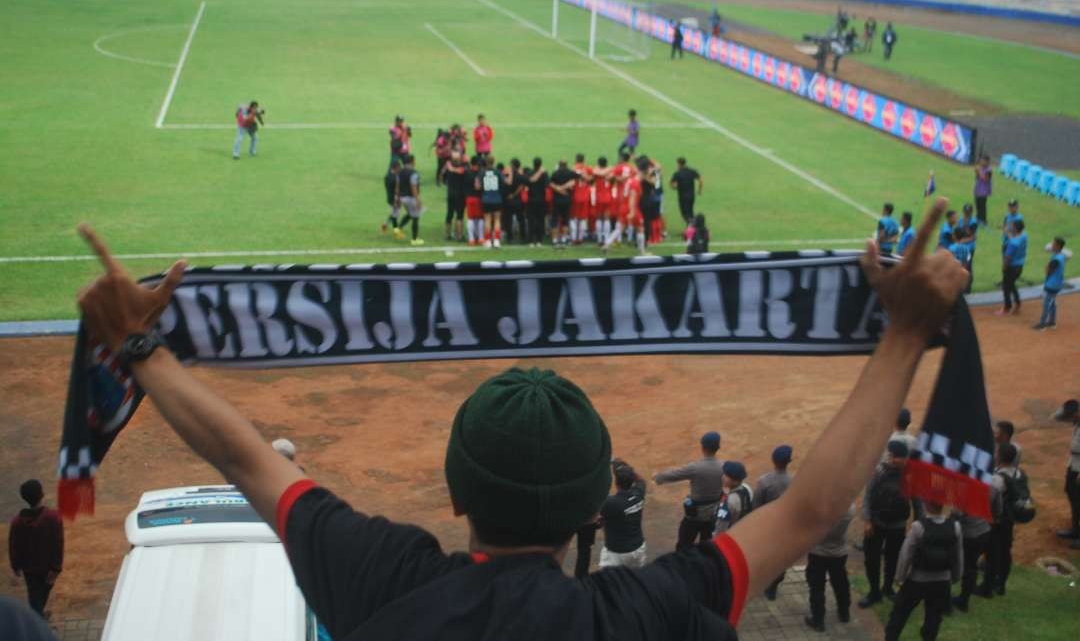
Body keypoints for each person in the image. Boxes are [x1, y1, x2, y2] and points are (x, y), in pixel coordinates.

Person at [69, 199, 967, 641]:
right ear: (590, 509)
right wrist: (906, 336)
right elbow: (810, 511)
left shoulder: (382, 579)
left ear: (454, 491)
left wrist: (142, 352)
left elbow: (247, 461)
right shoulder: (644, 611)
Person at [883, 501, 962, 641]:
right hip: (942, 581)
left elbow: (906, 554)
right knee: (934, 617)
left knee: (900, 612)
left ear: (927, 505)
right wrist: (955, 576)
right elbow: (958, 554)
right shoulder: (955, 526)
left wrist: (900, 577)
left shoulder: (918, 527)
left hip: (917, 580)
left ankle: (891, 637)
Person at [859, 440, 911, 608]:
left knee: (893, 559)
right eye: (894, 457)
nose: (896, 460)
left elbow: (917, 501)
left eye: (900, 458)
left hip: (897, 525)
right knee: (871, 559)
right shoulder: (879, 471)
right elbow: (867, 497)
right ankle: (874, 592)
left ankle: (887, 588)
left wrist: (919, 524)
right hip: (876, 523)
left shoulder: (910, 475)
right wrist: (867, 521)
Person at [653, 431, 726, 550]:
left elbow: (673, 474)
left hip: (695, 515)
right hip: (713, 513)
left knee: (684, 545)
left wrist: (657, 477)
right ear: (718, 447)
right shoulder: (723, 466)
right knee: (707, 545)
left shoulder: (695, 468)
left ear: (703, 447)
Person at [8, 480, 64, 617]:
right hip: (48, 568)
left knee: (35, 595)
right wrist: (56, 567)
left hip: (29, 569)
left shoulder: (17, 522)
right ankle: (38, 621)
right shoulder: (52, 518)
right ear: (42, 494)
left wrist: (16, 566)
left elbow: (14, 545)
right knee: (41, 595)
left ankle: (38, 613)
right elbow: (58, 544)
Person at [804, 502, 854, 633]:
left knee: (816, 587)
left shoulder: (820, 509)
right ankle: (844, 613)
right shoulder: (849, 508)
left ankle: (818, 620)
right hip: (839, 552)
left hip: (817, 553)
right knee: (841, 584)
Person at [980, 443, 1020, 596]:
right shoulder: (1018, 473)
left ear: (1000, 457)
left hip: (997, 520)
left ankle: (987, 587)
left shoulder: (998, 478)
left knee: (992, 552)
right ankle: (1001, 584)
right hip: (1010, 519)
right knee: (1005, 551)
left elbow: (989, 498)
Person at [757, 446, 793, 601]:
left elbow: (756, 506)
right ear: (788, 462)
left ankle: (761, 580)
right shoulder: (793, 481)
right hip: (785, 527)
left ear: (773, 460)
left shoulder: (764, 481)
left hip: (767, 525)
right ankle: (773, 585)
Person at [598, 461, 647, 569]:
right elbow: (641, 480)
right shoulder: (639, 493)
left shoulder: (610, 503)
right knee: (635, 580)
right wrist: (627, 469)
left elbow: (594, 516)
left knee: (607, 582)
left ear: (616, 483)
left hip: (617, 554)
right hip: (638, 548)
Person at [1053, 399, 1080, 551]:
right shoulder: (1077, 420)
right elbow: (1057, 417)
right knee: (1072, 494)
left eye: (1072, 415)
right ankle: (1075, 530)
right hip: (1073, 465)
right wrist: (1066, 408)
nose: (1070, 418)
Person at [952, 509, 991, 612]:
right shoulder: (986, 492)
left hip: (970, 534)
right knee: (972, 566)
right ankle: (966, 594)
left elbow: (957, 513)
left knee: (966, 566)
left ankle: (963, 601)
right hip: (984, 531)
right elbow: (997, 509)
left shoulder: (965, 493)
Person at [1035, 237, 1067, 330]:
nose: (1051, 245)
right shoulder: (1061, 256)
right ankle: (1052, 322)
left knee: (1046, 304)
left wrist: (1047, 267)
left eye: (1053, 244)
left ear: (1057, 246)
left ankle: (1042, 324)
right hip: (1057, 283)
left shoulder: (1056, 259)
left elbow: (1048, 271)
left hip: (1051, 285)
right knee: (1052, 303)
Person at [997, 219, 1027, 315]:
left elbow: (1008, 257)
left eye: (1012, 226)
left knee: (1006, 287)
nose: (1010, 227)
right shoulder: (1024, 236)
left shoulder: (1013, 243)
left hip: (1011, 267)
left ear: (1015, 229)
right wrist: (1007, 232)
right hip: (1020, 266)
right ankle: (1017, 303)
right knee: (1012, 284)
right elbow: (1014, 237)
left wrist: (1004, 267)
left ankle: (1007, 307)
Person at [714, 462, 753, 534]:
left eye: (726, 476)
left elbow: (720, 529)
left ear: (735, 481)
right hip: (742, 528)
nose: (723, 477)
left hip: (730, 533)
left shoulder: (729, 502)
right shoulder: (747, 488)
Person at [394, 155, 423, 246]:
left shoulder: (400, 172)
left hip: (403, 198)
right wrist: (418, 200)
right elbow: (413, 186)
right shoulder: (414, 173)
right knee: (415, 217)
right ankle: (414, 239)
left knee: (410, 214)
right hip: (411, 198)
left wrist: (397, 198)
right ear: (411, 161)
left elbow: (397, 186)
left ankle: (398, 228)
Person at [477, 159, 504, 249]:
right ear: (493, 162)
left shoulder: (482, 173)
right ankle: (496, 240)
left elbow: (477, 186)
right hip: (497, 199)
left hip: (486, 199)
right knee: (497, 220)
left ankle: (488, 241)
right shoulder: (498, 172)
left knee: (487, 220)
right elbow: (504, 183)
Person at [549, 159, 577, 247]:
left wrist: (559, 189)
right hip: (567, 200)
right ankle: (564, 239)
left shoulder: (555, 173)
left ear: (559, 165)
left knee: (554, 220)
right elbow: (577, 179)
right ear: (566, 165)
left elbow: (550, 183)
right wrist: (564, 188)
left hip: (556, 200)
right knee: (565, 220)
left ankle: (554, 240)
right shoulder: (571, 173)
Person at [441, 152, 467, 242]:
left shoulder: (448, 168)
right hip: (460, 195)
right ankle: (459, 235)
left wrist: (447, 168)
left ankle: (447, 235)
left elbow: (442, 178)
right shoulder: (464, 168)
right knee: (459, 216)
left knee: (449, 214)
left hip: (450, 194)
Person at [501, 159, 527, 245]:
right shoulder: (521, 177)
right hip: (518, 202)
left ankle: (510, 238)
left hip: (508, 202)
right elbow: (523, 186)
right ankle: (523, 237)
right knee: (521, 219)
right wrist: (515, 194)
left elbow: (504, 186)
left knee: (508, 220)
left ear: (513, 166)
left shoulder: (507, 176)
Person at [671, 157, 703, 226]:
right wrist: (699, 190)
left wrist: (676, 187)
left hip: (683, 197)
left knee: (685, 213)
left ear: (679, 164)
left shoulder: (678, 173)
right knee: (690, 212)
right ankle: (692, 227)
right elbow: (700, 180)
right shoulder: (692, 171)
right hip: (691, 195)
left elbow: (672, 184)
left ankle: (691, 228)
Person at [570, 155, 593, 245]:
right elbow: (591, 179)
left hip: (575, 195)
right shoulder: (588, 169)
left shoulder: (573, 169)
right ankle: (580, 238)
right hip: (585, 196)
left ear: (576, 160)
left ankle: (573, 238)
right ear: (584, 160)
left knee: (574, 217)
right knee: (582, 218)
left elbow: (571, 182)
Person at [526, 157, 548, 247]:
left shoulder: (529, 173)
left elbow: (528, 183)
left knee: (531, 220)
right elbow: (547, 185)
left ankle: (531, 240)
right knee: (540, 220)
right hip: (541, 200)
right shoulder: (544, 174)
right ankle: (539, 240)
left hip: (531, 200)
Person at [382, 160, 402, 235]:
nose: (400, 169)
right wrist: (397, 200)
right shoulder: (396, 178)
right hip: (394, 199)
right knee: (395, 216)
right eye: (399, 168)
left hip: (389, 197)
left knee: (394, 213)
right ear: (396, 168)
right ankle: (396, 231)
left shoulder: (387, 176)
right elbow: (397, 191)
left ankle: (385, 224)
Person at [973, 154, 993, 225]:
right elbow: (978, 177)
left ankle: (983, 220)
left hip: (984, 191)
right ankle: (978, 218)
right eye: (981, 160)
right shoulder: (981, 168)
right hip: (978, 189)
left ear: (987, 162)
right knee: (978, 204)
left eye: (983, 161)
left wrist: (978, 172)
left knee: (982, 206)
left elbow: (986, 179)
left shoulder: (989, 170)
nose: (981, 162)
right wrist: (977, 172)